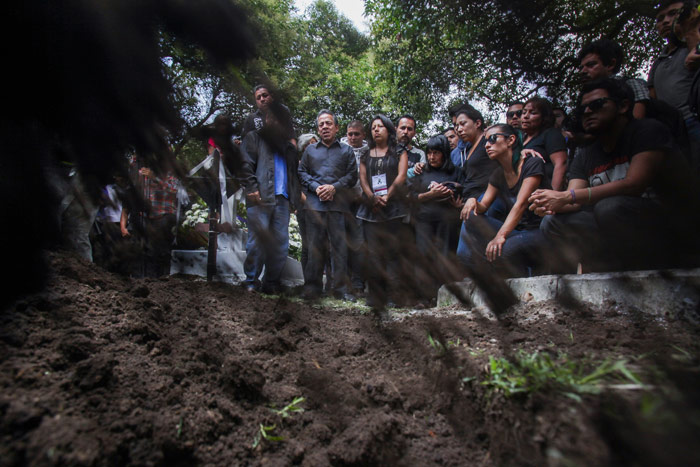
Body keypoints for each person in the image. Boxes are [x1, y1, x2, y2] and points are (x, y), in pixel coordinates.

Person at [529, 78, 696, 272]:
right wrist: (549, 203)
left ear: (623, 106)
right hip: (614, 227)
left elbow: (634, 184)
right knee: (552, 222)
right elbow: (575, 199)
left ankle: (650, 272)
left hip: (667, 225)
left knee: (610, 207)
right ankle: (583, 284)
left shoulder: (647, 131)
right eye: (583, 109)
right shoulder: (586, 153)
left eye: (597, 105)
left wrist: (567, 196)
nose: (588, 112)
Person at [459, 124, 548, 278]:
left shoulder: (531, 163)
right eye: (486, 141)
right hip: (517, 232)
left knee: (504, 248)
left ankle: (523, 277)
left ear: (510, 140)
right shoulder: (498, 174)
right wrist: (473, 201)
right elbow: (483, 206)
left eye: (493, 139)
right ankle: (491, 273)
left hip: (539, 231)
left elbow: (521, 204)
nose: (487, 145)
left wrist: (500, 236)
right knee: (471, 218)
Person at [239, 103, 301, 294]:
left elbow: (293, 174)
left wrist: (294, 201)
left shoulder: (289, 148)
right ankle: (251, 281)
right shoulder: (253, 138)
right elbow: (244, 165)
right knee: (256, 243)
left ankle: (271, 282)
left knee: (280, 244)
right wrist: (252, 189)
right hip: (260, 198)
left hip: (282, 200)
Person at [298, 109, 358, 301]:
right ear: (318, 128)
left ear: (337, 127)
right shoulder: (309, 151)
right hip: (314, 206)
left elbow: (352, 175)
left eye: (328, 123)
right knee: (315, 248)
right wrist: (317, 188)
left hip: (339, 206)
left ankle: (341, 289)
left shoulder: (346, 150)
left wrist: (334, 187)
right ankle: (312, 288)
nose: (324, 127)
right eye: (321, 124)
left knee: (340, 249)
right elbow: (302, 173)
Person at [356, 115, 409, 310]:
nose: (376, 130)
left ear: (388, 129)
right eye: (373, 127)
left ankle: (394, 296)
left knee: (393, 253)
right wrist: (371, 197)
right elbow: (362, 178)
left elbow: (402, 176)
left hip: (393, 208)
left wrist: (388, 196)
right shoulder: (365, 153)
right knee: (374, 253)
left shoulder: (399, 151)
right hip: (371, 209)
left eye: (380, 126)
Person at [409, 134, 463, 302]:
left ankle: (443, 298)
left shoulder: (456, 172)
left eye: (436, 153)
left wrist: (456, 201)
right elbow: (410, 197)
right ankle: (423, 298)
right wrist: (430, 194)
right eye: (430, 152)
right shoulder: (421, 171)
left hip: (447, 222)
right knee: (424, 257)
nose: (432, 157)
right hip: (424, 221)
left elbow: (464, 194)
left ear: (444, 153)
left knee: (445, 257)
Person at [120, 155, 180, 277]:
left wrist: (154, 178)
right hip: (145, 217)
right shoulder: (140, 169)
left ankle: (162, 281)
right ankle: (141, 281)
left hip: (164, 216)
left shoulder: (170, 170)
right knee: (142, 252)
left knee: (161, 252)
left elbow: (174, 190)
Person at [578, 39, 650, 119]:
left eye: (591, 65)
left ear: (610, 64)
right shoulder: (584, 97)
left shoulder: (631, 84)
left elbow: (638, 119)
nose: (583, 71)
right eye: (581, 68)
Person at [340, 120, 369, 296]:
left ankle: (358, 284)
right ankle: (342, 283)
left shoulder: (369, 151)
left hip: (362, 203)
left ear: (363, 135)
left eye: (356, 134)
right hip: (342, 202)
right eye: (350, 134)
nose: (352, 137)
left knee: (358, 244)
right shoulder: (340, 148)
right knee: (340, 242)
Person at [521, 97, 568, 191]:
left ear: (544, 117)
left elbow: (561, 164)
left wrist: (554, 194)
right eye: (524, 112)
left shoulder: (550, 134)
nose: (526, 116)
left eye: (533, 113)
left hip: (542, 190)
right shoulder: (521, 139)